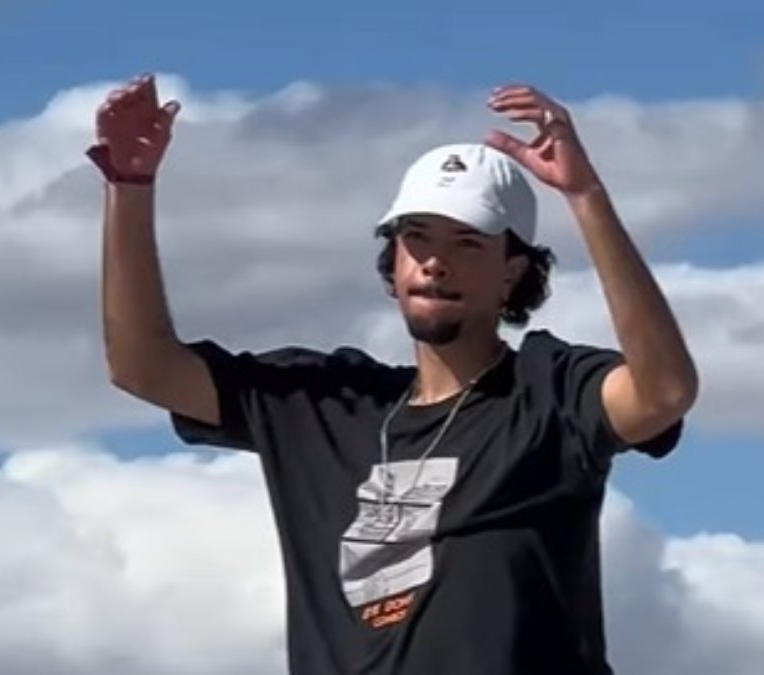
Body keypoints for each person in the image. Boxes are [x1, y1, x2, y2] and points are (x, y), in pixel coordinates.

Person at [90, 72, 698, 675]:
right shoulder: (323, 404)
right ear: (393, 260)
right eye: (417, 238)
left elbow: (663, 391)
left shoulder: (550, 391)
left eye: (467, 243)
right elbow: (143, 367)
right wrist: (129, 186)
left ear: (512, 272)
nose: (435, 262)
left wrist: (586, 196)